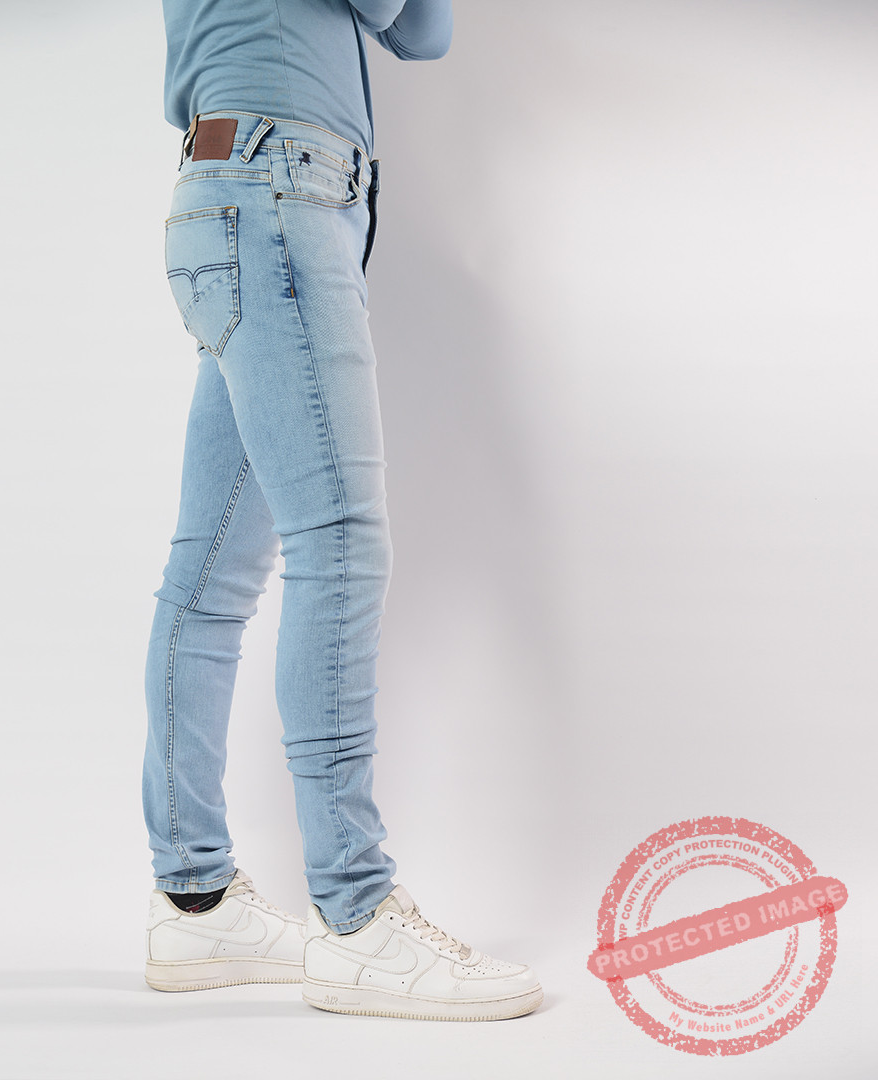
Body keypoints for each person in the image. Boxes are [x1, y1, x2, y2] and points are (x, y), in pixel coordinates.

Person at [141, 0, 543, 1021]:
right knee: (340, 546)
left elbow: (421, 34)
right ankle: (358, 917)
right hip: (278, 191)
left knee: (211, 575)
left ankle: (196, 901)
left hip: (248, 194)